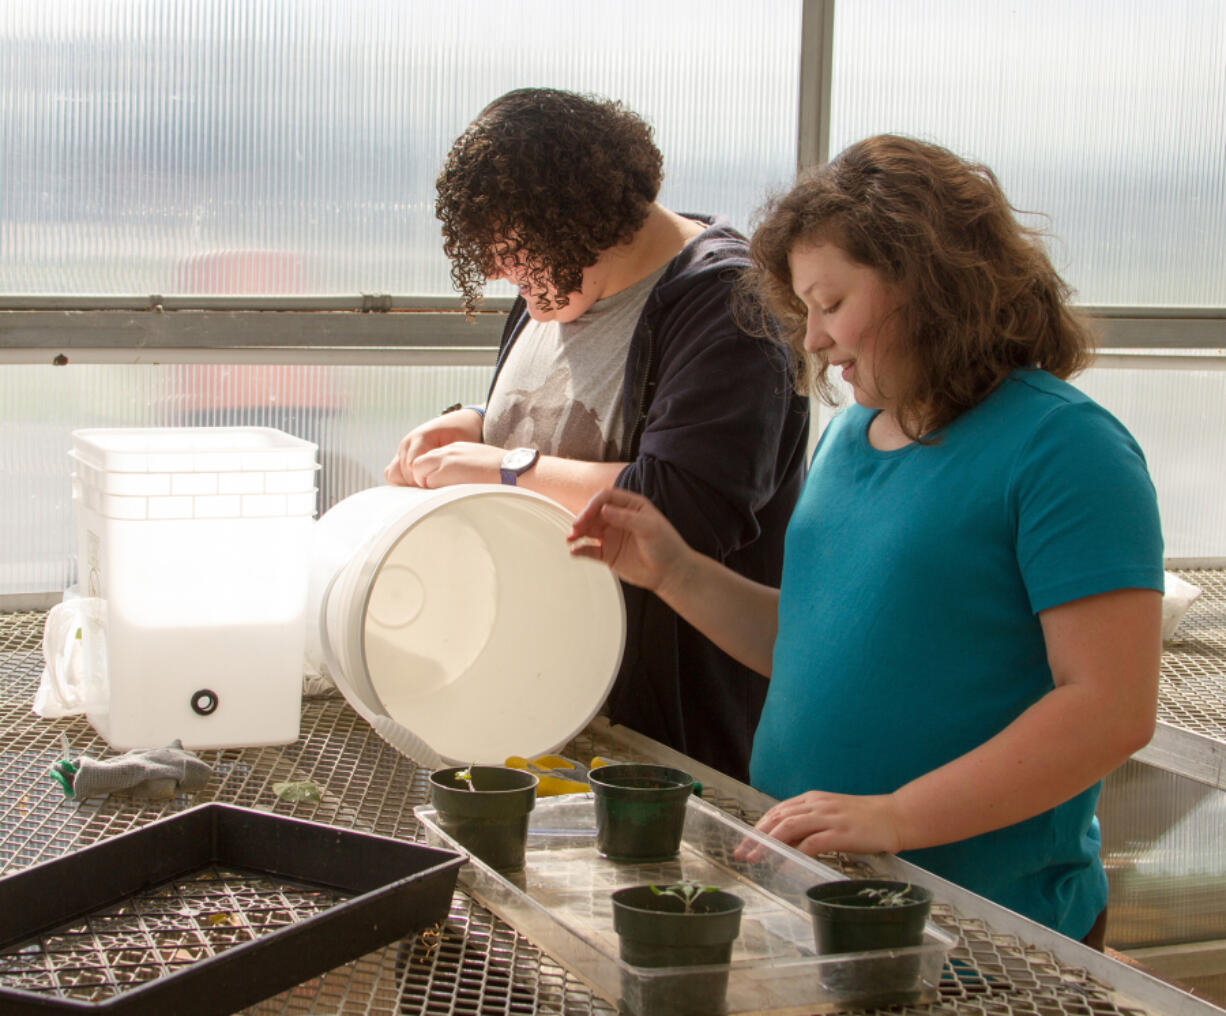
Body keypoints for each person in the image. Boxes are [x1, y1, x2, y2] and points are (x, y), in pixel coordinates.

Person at [567, 134, 1164, 947]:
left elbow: (1109, 708)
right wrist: (676, 573)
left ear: (932, 284)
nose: (811, 340)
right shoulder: (852, 438)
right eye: (805, 309)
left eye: (831, 303)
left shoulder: (1065, 448)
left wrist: (897, 816)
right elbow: (817, 640)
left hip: (990, 928)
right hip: (820, 892)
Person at [384, 88, 810, 781]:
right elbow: (563, 434)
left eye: (507, 245)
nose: (494, 270)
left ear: (574, 216)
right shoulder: (554, 290)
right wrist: (475, 424)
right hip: (540, 704)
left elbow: (674, 507)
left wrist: (501, 464)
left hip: (660, 742)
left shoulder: (729, 306)